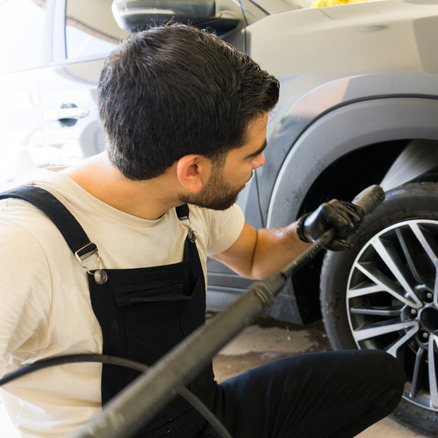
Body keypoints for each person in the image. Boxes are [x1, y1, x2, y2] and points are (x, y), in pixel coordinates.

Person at [0, 24, 404, 438]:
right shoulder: (22, 242)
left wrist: (303, 231)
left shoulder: (186, 198)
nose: (259, 164)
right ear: (192, 169)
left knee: (377, 377)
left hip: (199, 413)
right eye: (252, 154)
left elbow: (254, 257)